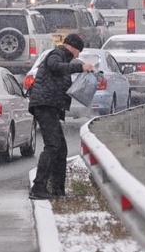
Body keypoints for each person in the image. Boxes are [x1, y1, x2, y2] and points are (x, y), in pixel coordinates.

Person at [28, 33, 95, 200]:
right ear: (71, 47)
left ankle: (57, 189)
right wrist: (80, 67)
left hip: (50, 106)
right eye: (78, 51)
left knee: (60, 148)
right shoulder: (56, 54)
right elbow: (54, 67)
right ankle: (38, 187)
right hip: (45, 106)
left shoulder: (64, 59)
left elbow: (59, 80)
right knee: (53, 146)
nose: (77, 56)